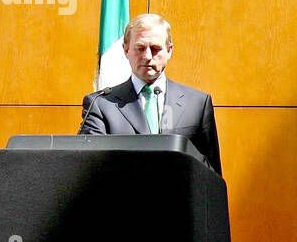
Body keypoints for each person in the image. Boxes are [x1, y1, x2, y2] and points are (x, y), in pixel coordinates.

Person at [79, 12, 222, 176]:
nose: (147, 56)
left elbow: (212, 176)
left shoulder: (197, 103)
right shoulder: (101, 104)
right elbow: (89, 170)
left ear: (169, 50)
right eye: (140, 48)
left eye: (155, 49)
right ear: (126, 50)